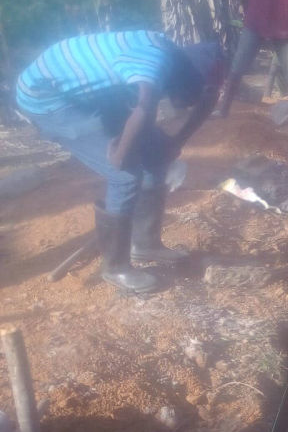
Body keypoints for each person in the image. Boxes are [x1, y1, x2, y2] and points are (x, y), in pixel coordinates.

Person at [16, 30, 222, 294]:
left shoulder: (191, 60)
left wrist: (173, 143)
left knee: (155, 153)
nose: (179, 104)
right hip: (47, 95)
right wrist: (120, 153)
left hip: (88, 88)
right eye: (183, 97)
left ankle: (144, 244)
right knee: (125, 175)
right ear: (182, 80)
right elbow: (145, 108)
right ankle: (115, 267)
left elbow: (204, 100)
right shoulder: (153, 62)